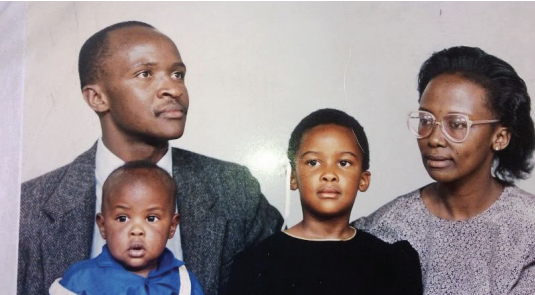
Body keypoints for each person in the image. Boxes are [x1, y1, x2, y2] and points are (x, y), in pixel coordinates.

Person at [18, 21, 283, 295]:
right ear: (97, 98)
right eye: (145, 74)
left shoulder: (235, 189)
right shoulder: (27, 206)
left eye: (178, 74)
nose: (174, 90)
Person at [354, 46, 535, 294]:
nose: (435, 138)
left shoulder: (528, 227)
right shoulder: (385, 227)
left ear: (500, 137)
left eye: (457, 124)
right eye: (426, 120)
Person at [226, 108, 423, 295]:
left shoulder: (391, 263)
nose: (329, 174)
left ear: (363, 180)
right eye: (313, 162)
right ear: (293, 177)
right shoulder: (256, 264)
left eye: (344, 163)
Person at [48, 161, 205, 295]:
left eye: (151, 218)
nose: (136, 230)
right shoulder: (81, 279)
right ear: (103, 226)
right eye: (122, 218)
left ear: (172, 227)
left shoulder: (184, 283)